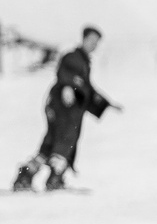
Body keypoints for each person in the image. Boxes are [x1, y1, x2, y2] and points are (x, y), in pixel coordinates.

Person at [14, 25, 116, 191]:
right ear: (84, 39)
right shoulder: (73, 57)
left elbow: (88, 88)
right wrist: (68, 87)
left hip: (62, 108)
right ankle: (55, 179)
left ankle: (25, 176)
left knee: (49, 145)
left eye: (97, 42)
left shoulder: (83, 61)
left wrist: (106, 103)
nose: (94, 45)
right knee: (65, 141)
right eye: (92, 40)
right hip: (63, 108)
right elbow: (65, 74)